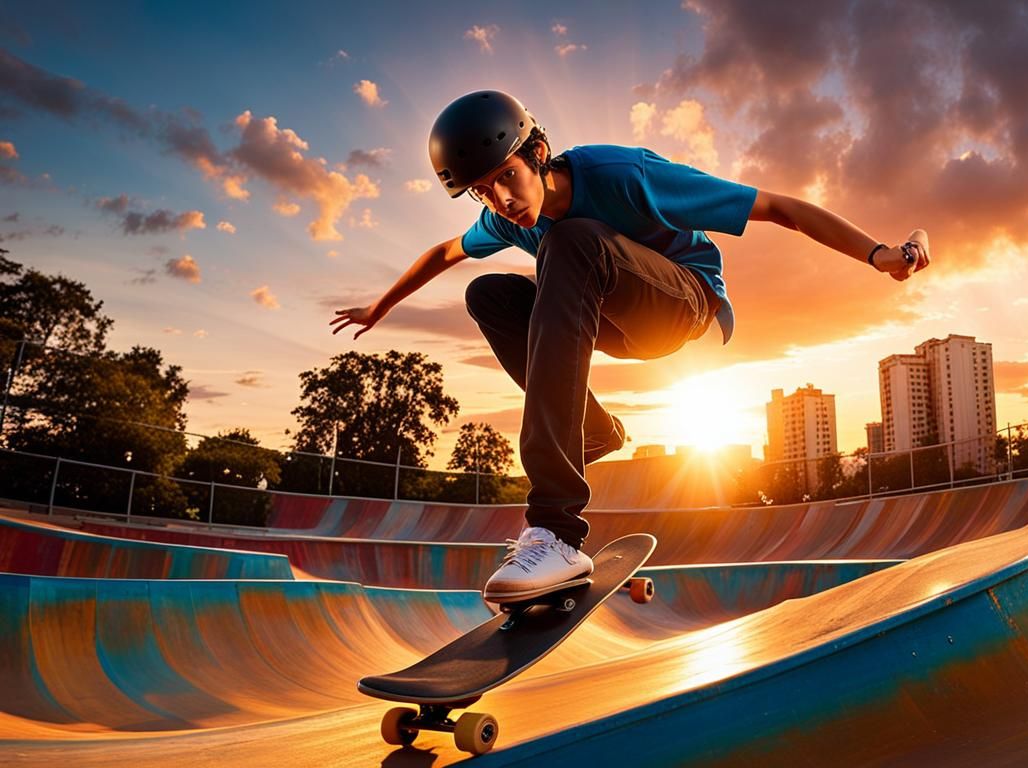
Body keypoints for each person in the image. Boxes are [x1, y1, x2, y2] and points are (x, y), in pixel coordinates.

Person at [331, 90, 930, 600]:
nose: (503, 203)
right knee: (489, 293)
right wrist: (377, 308)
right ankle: (593, 431)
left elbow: (777, 207)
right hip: (615, 321)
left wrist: (878, 255)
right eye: (483, 193)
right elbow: (444, 253)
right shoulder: (508, 217)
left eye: (508, 179)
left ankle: (556, 532)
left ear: (537, 155)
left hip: (688, 306)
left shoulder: (624, 175)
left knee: (573, 241)